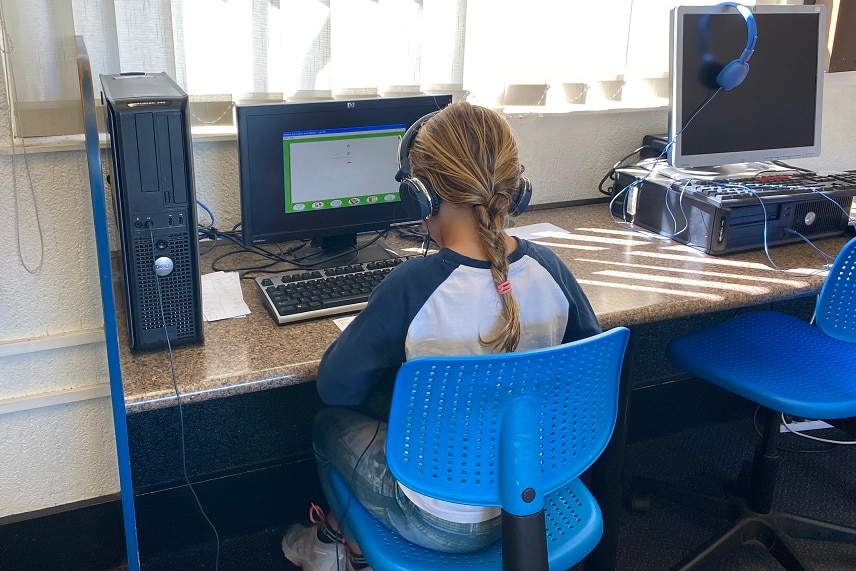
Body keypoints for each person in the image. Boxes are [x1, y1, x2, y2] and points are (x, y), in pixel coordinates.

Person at [282, 101, 601, 571]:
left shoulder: (412, 286)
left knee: (327, 424)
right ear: (518, 188)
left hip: (440, 522)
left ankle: (339, 545)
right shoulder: (550, 268)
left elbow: (336, 387)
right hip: (536, 494)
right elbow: (584, 369)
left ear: (421, 194)